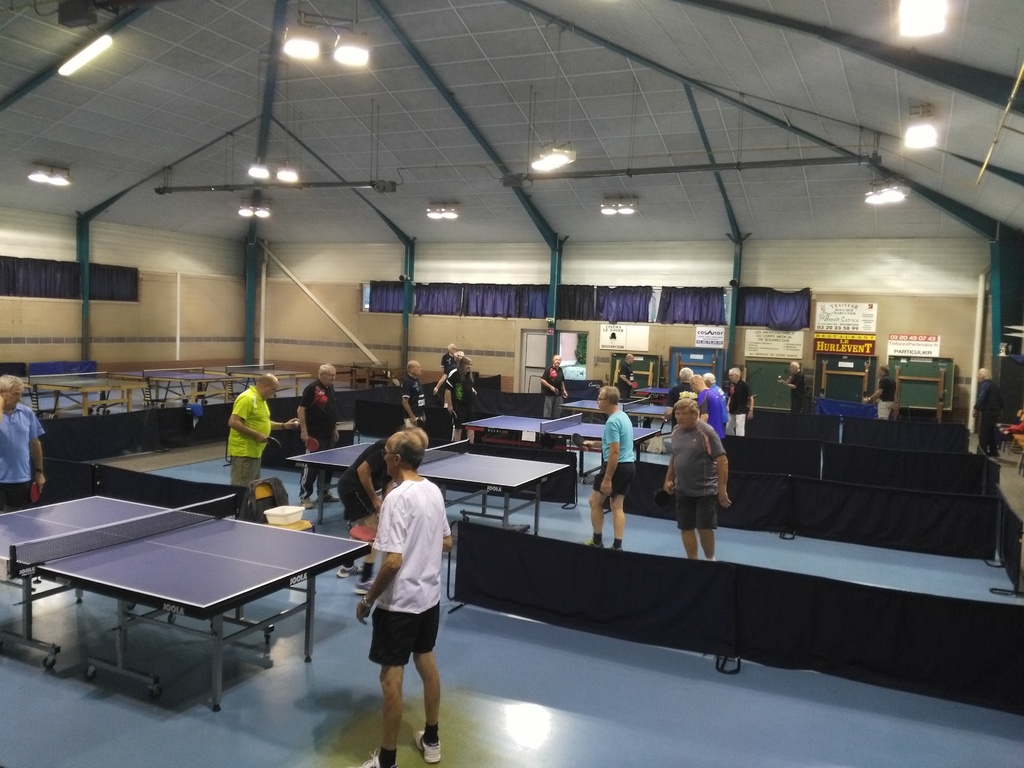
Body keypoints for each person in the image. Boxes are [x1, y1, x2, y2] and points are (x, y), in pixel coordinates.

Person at [354, 429, 453, 768]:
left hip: (399, 605)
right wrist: (420, 543)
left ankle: (387, 761)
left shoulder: (396, 498)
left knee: (390, 679)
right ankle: (432, 739)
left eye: (386, 453)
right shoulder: (433, 490)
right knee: (426, 662)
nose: (382, 458)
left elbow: (393, 562)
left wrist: (368, 600)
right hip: (429, 598)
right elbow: (447, 542)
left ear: (397, 459)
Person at [664, 398, 731, 560]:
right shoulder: (675, 431)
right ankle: (692, 562)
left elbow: (722, 460)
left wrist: (722, 490)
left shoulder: (707, 432)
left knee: (704, 528)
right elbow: (675, 456)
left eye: (684, 414)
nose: (679, 417)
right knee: (686, 528)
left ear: (695, 415)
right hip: (682, 489)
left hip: (705, 491)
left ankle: (709, 561)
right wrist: (668, 479)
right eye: (677, 413)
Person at [582, 386, 635, 550]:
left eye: (599, 399)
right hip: (629, 466)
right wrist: (594, 443)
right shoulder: (623, 416)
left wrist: (607, 478)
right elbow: (614, 444)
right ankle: (617, 546)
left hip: (616, 466)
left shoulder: (612, 422)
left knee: (594, 502)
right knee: (617, 506)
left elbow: (615, 452)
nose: (597, 402)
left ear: (608, 401)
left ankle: (597, 542)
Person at [227, 373, 299, 487]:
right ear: (265, 386)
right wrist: (256, 434)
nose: (273, 393)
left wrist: (284, 425)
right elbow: (233, 422)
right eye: (273, 390)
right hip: (244, 452)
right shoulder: (247, 398)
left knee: (252, 489)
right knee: (242, 489)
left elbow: (263, 423)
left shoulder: (261, 400)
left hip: (255, 452)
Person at [297, 364, 341, 509]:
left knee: (328, 466)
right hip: (315, 435)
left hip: (328, 435)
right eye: (330, 375)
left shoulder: (330, 388)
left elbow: (331, 409)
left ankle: (324, 493)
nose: (333, 378)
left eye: (334, 375)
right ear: (321, 374)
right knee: (311, 467)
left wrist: (334, 428)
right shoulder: (312, 388)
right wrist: (304, 431)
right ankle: (304, 497)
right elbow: (301, 409)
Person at [0, 375, 46, 513]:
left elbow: (34, 443)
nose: (19, 398)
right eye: (15, 394)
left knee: (14, 518)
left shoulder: (27, 413)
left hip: (20, 478)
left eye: (21, 393)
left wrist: (39, 471)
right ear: (2, 392)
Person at [443, 355, 476, 440]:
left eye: (470, 364)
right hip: (459, 406)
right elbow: (448, 389)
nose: (469, 366)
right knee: (458, 428)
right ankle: (457, 446)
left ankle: (470, 446)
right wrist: (449, 405)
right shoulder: (455, 374)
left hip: (469, 406)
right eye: (467, 364)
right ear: (462, 365)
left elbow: (466, 386)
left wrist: (472, 390)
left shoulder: (469, 375)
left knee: (471, 428)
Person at [974, 368, 1003, 457]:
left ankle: (982, 454)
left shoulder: (985, 385)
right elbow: (1000, 400)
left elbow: (982, 397)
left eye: (978, 375)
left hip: (988, 412)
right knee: (990, 432)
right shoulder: (994, 385)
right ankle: (994, 452)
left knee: (983, 433)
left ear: (982, 376)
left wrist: (976, 408)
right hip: (995, 412)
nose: (977, 377)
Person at [691, 373, 726, 440]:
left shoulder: (703, 395)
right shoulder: (716, 393)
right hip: (719, 433)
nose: (692, 389)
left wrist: (696, 432)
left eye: (691, 386)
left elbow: (704, 416)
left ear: (695, 383)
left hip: (708, 435)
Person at [726, 367, 754, 436]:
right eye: (729, 375)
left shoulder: (744, 385)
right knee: (728, 428)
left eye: (731, 375)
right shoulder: (731, 385)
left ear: (737, 375)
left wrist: (751, 410)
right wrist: (727, 405)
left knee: (739, 429)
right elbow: (730, 396)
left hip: (741, 411)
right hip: (732, 410)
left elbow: (751, 398)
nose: (729, 377)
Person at [540, 354, 568, 418]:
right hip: (549, 394)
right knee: (548, 411)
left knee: (558, 412)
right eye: (556, 360)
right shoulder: (548, 369)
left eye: (559, 360)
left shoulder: (560, 370)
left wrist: (564, 390)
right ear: (553, 361)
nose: (558, 361)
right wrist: (550, 387)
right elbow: (542, 380)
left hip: (558, 394)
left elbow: (562, 381)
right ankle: (546, 423)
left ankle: (556, 422)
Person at [401, 360, 427, 428]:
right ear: (411, 369)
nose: (420, 369)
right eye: (418, 367)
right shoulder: (407, 382)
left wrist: (422, 413)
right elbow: (405, 402)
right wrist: (412, 416)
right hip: (412, 417)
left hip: (420, 415)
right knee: (412, 434)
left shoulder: (417, 380)